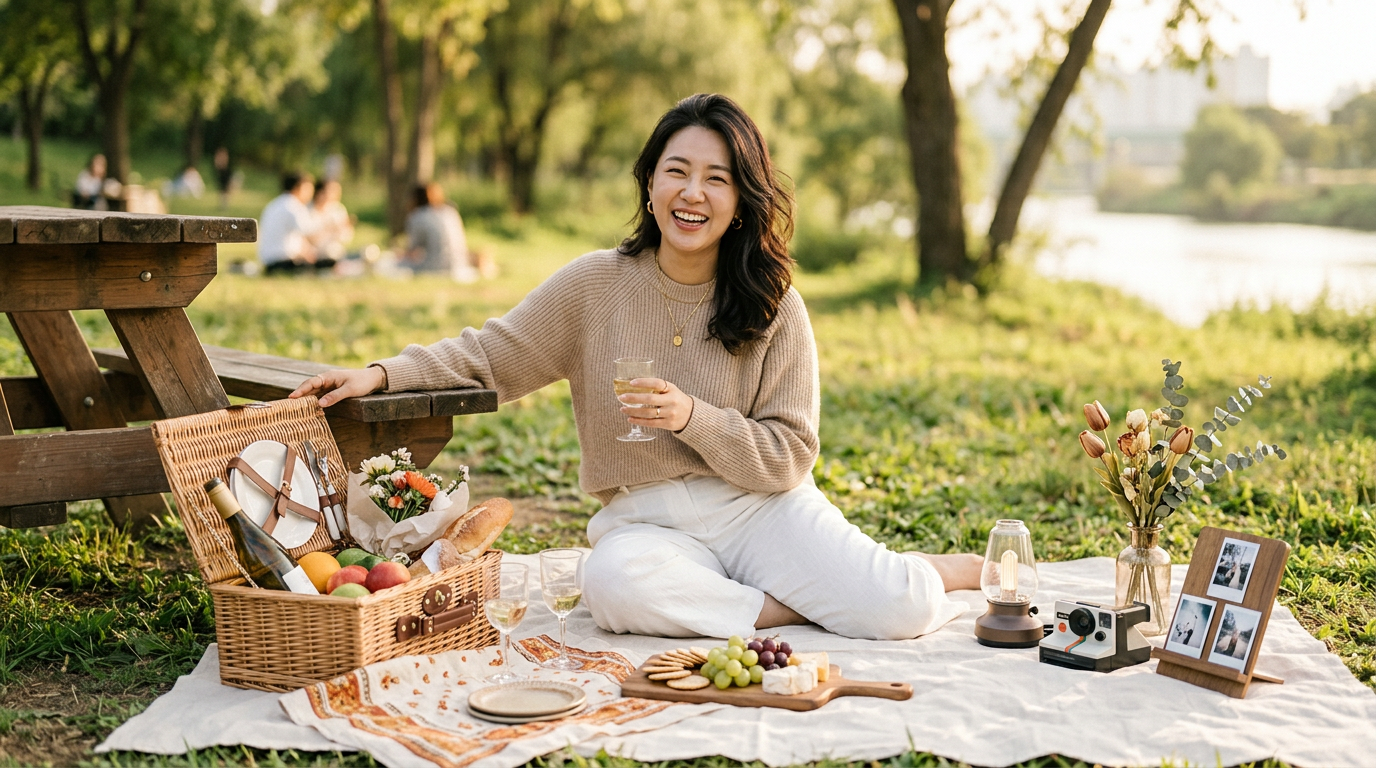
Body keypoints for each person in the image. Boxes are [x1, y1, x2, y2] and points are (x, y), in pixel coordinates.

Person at [290, 93, 978, 640]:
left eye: (716, 179)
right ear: (650, 183)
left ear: (742, 201)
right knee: (613, 588)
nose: (692, 193)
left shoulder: (775, 304)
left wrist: (692, 417)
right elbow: (490, 353)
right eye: (677, 171)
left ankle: (934, 571)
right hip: (643, 521)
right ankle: (790, 605)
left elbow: (791, 454)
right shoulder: (595, 284)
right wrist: (383, 374)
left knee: (898, 610)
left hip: (758, 508)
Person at [258, 172, 332, 275]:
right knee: (329, 263)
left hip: (269, 261)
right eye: (309, 188)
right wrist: (331, 225)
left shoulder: (275, 204)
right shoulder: (293, 206)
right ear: (299, 188)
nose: (311, 193)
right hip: (282, 262)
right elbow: (311, 234)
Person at [404, 183, 478, 282]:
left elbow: (413, 250)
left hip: (434, 267)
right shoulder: (451, 212)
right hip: (459, 264)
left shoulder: (417, 216)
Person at [311, 179, 355, 263]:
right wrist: (330, 229)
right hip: (313, 251)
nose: (335, 195)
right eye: (332, 191)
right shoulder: (308, 209)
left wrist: (344, 228)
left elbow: (346, 238)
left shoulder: (338, 209)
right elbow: (308, 236)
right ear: (319, 193)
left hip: (335, 249)